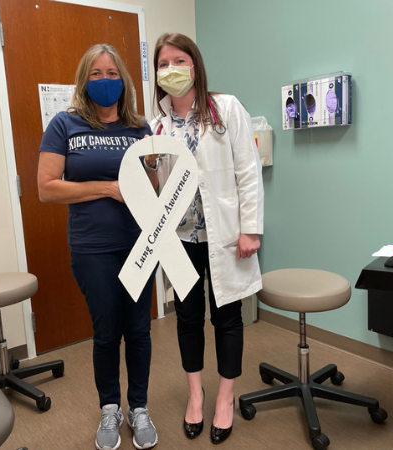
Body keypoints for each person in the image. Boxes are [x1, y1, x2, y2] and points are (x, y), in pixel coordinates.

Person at [37, 43, 159, 450]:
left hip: (140, 243)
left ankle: (138, 406)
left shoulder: (139, 128)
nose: (105, 81)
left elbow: (153, 190)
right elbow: (47, 188)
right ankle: (110, 408)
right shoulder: (65, 124)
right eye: (95, 74)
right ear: (83, 80)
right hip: (92, 248)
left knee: (139, 331)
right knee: (107, 333)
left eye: (111, 74)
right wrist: (107, 188)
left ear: (123, 79)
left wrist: (155, 167)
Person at [147, 32, 264, 445]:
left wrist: (250, 228)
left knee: (227, 317)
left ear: (195, 65)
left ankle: (225, 399)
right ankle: (195, 395)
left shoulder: (225, 108)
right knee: (189, 317)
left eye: (179, 61)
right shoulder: (156, 125)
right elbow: (156, 185)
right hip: (178, 239)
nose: (171, 70)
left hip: (227, 235)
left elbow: (247, 171)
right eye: (163, 64)